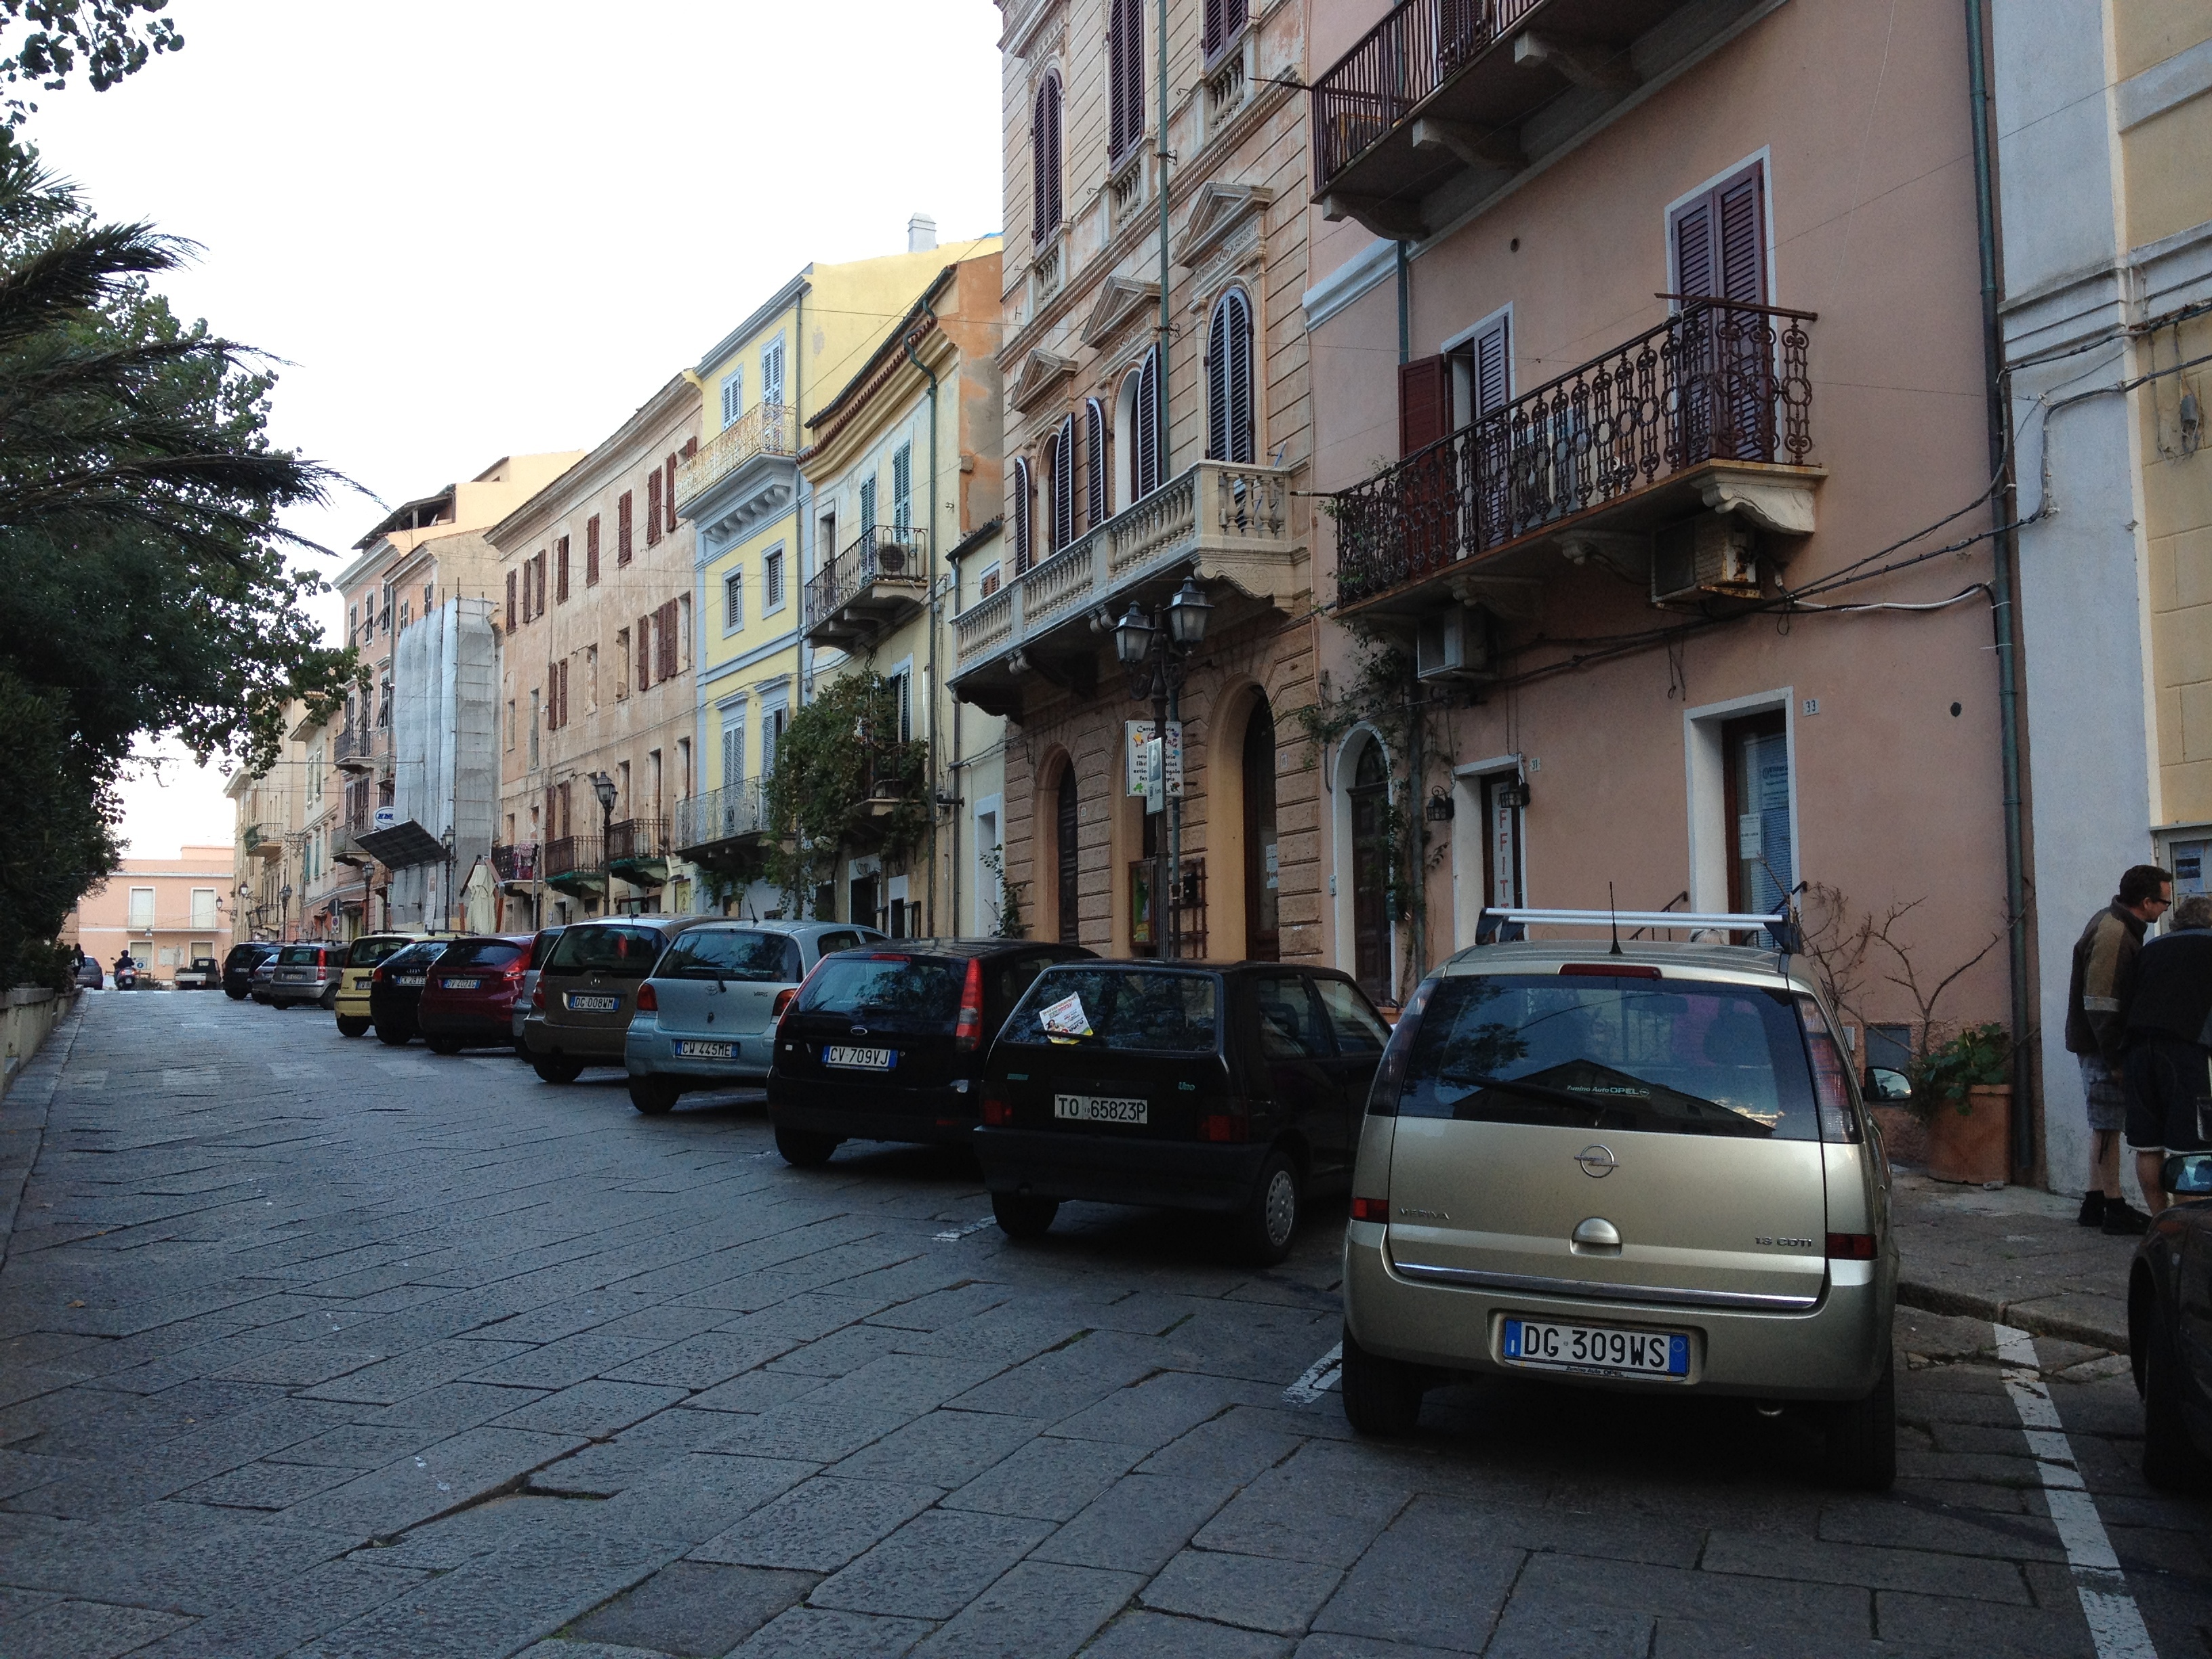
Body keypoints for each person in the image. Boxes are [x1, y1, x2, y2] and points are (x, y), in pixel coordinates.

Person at [2065, 863, 2171, 1234]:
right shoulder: (2114, 932)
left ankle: (2095, 1203)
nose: (2165, 911)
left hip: (2096, 1040)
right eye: (2163, 903)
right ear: (2146, 902)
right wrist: (2115, 1060)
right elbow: (2100, 1003)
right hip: (2102, 1043)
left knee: (2102, 1125)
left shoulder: (2112, 921)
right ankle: (2114, 1205)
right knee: (2108, 1124)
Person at [2123, 892, 2212, 1214]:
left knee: (2148, 1146)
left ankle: (2159, 1223)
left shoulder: (2152, 948)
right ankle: (2193, 1230)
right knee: (2193, 1150)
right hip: (2185, 1052)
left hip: (2138, 1051)